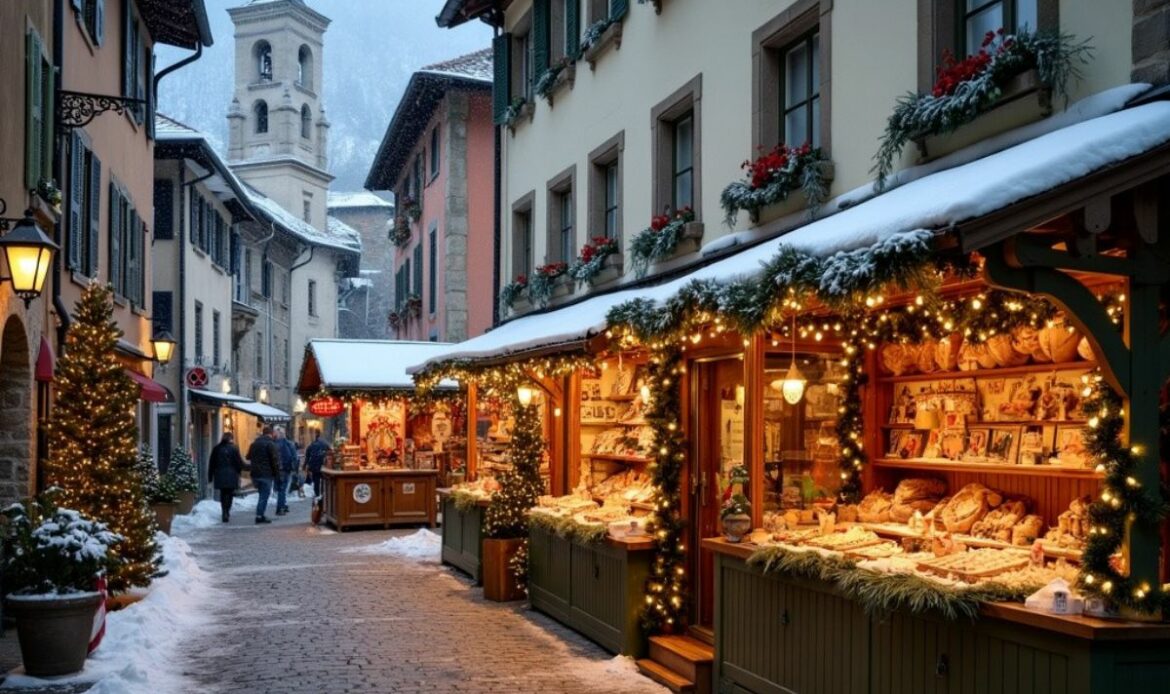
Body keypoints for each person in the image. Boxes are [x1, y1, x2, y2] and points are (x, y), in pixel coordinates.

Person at [208, 432, 245, 523]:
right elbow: (238, 462)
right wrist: (239, 471)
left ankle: (224, 511)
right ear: (231, 439)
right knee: (230, 493)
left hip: (220, 474)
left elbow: (212, 463)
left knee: (223, 493)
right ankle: (227, 511)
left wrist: (210, 476)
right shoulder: (234, 448)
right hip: (232, 474)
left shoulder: (216, 448)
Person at [246, 426, 280, 524]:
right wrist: (277, 474)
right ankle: (259, 516)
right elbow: (275, 460)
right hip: (266, 474)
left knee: (262, 494)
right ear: (270, 434)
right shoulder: (270, 444)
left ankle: (260, 514)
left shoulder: (254, 444)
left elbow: (248, 457)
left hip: (255, 474)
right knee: (264, 495)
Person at [274, 427, 298, 515]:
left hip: (277, 469)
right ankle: (280, 508)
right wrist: (294, 468)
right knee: (282, 489)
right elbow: (295, 456)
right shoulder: (289, 444)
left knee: (281, 488)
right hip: (286, 469)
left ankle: (283, 505)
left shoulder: (274, 444)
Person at [304, 431, 330, 501]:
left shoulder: (311, 445)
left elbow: (307, 456)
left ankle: (317, 494)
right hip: (323, 465)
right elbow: (330, 452)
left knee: (316, 481)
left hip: (314, 466)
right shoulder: (325, 444)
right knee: (324, 480)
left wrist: (305, 466)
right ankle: (324, 493)